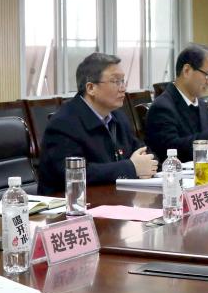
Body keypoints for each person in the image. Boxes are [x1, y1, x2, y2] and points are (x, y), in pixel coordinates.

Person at [39, 53, 157, 194]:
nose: (123, 88)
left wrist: (147, 164)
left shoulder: (118, 117)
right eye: (116, 81)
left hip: (114, 197)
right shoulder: (63, 123)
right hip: (69, 203)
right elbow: (74, 173)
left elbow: (142, 151)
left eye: (123, 81)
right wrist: (131, 168)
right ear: (91, 88)